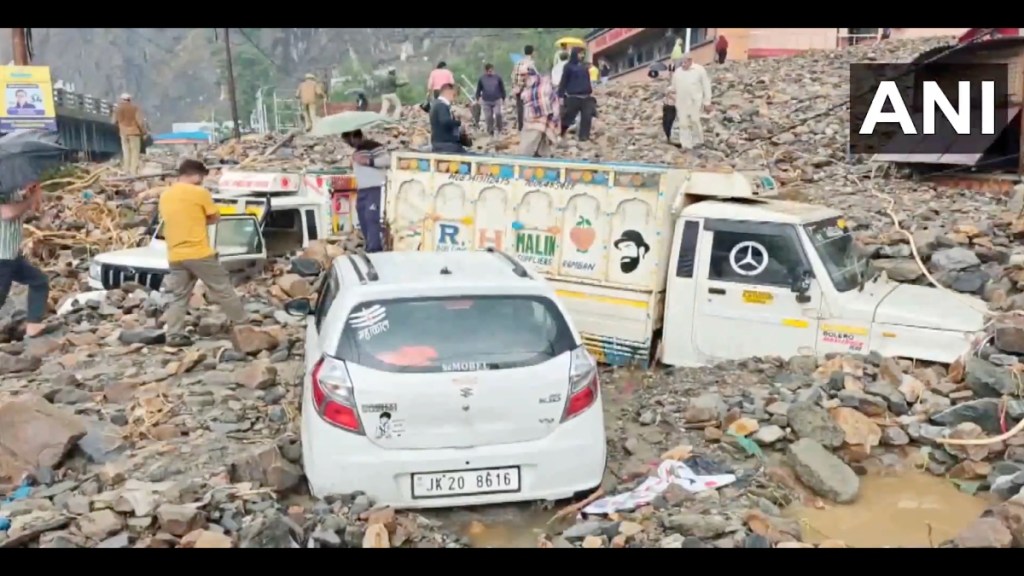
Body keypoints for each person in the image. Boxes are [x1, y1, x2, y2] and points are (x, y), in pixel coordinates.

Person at [159, 160, 247, 348]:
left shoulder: (165, 195)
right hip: (199, 252)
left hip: (175, 255)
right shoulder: (199, 193)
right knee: (223, 288)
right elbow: (215, 217)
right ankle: (243, 326)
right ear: (196, 175)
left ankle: (174, 334)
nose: (202, 181)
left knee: (179, 296)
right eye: (202, 177)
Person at [0, 183, 53, 339]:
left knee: (39, 281)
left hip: (12, 254)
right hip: (2, 257)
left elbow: (35, 209)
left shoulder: (12, 190)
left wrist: (34, 193)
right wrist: (28, 201)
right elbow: (7, 213)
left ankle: (33, 326)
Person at [342, 129, 390, 253]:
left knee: (371, 217)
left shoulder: (373, 147)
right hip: (362, 190)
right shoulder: (356, 152)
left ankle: (375, 249)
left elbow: (387, 160)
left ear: (355, 137)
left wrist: (368, 161)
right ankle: (369, 245)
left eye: (349, 140)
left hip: (375, 188)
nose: (349, 143)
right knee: (362, 218)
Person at [671, 55, 712, 150]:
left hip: (695, 101)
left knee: (694, 120)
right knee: (683, 123)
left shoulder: (699, 70)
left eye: (685, 62)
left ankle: (698, 141)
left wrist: (707, 101)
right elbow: (674, 86)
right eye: (682, 63)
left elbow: (706, 86)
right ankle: (685, 144)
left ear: (690, 61)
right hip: (681, 101)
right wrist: (669, 92)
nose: (683, 64)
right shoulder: (678, 72)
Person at [518, 69, 559, 158]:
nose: (521, 78)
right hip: (546, 116)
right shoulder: (544, 84)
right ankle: (544, 158)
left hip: (535, 119)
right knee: (543, 140)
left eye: (523, 75)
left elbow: (529, 99)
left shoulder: (534, 85)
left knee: (529, 142)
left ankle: (526, 160)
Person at [558, 48, 595, 142]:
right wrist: (560, 96)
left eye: (583, 54)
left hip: (586, 96)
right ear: (575, 54)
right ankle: (560, 133)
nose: (582, 56)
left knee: (587, 117)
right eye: (580, 54)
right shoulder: (568, 66)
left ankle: (584, 137)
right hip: (573, 97)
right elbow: (563, 81)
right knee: (568, 117)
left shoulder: (584, 66)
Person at [112, 93, 146, 176]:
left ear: (121, 99)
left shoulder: (117, 109)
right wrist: (144, 132)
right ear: (129, 100)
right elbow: (140, 122)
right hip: (134, 133)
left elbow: (113, 121)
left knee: (126, 152)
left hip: (123, 133)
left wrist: (120, 126)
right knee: (134, 153)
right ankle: (133, 172)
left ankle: (126, 170)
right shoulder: (135, 108)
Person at [429, 83, 467, 154]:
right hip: (446, 145)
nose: (455, 98)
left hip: (440, 143)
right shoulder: (441, 105)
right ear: (449, 92)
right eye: (454, 95)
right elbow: (445, 121)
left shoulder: (436, 104)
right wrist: (459, 123)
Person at [475, 63, 506, 136]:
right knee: (488, 117)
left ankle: (499, 129)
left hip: (496, 99)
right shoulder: (482, 79)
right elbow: (478, 90)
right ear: (485, 71)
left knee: (498, 114)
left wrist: (504, 98)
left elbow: (502, 88)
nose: (490, 72)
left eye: (491, 71)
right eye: (488, 71)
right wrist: (478, 98)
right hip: (486, 100)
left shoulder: (498, 78)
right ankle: (490, 131)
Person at [511, 45, 536, 131]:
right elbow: (533, 77)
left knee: (520, 109)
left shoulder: (518, 63)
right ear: (532, 52)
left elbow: (513, 76)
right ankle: (528, 126)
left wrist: (515, 86)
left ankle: (521, 127)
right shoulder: (531, 64)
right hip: (527, 89)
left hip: (518, 89)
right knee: (530, 108)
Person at [661, 77, 678, 146]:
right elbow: (665, 95)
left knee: (670, 122)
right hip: (666, 106)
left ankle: (671, 137)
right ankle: (668, 136)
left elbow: (677, 99)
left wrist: (671, 95)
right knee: (665, 122)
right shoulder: (669, 88)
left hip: (672, 107)